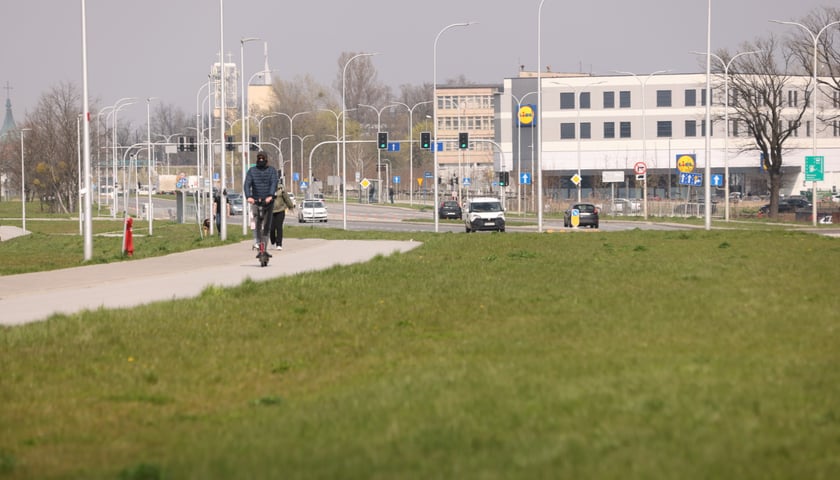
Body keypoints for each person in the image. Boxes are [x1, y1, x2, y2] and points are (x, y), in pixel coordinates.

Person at [243, 151, 278, 251]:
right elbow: (247, 184)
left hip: (268, 201)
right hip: (256, 200)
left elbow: (273, 183)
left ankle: (264, 249)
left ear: (266, 160)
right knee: (257, 222)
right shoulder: (252, 171)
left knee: (267, 225)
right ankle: (258, 242)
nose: (261, 160)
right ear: (257, 159)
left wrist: (271, 195)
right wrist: (248, 196)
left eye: (263, 159)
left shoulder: (272, 171)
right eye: (259, 158)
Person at [270, 182, 296, 250]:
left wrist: (290, 206)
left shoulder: (281, 188)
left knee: (279, 227)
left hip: (280, 210)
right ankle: (273, 241)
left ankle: (279, 244)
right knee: (271, 228)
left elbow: (286, 198)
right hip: (270, 211)